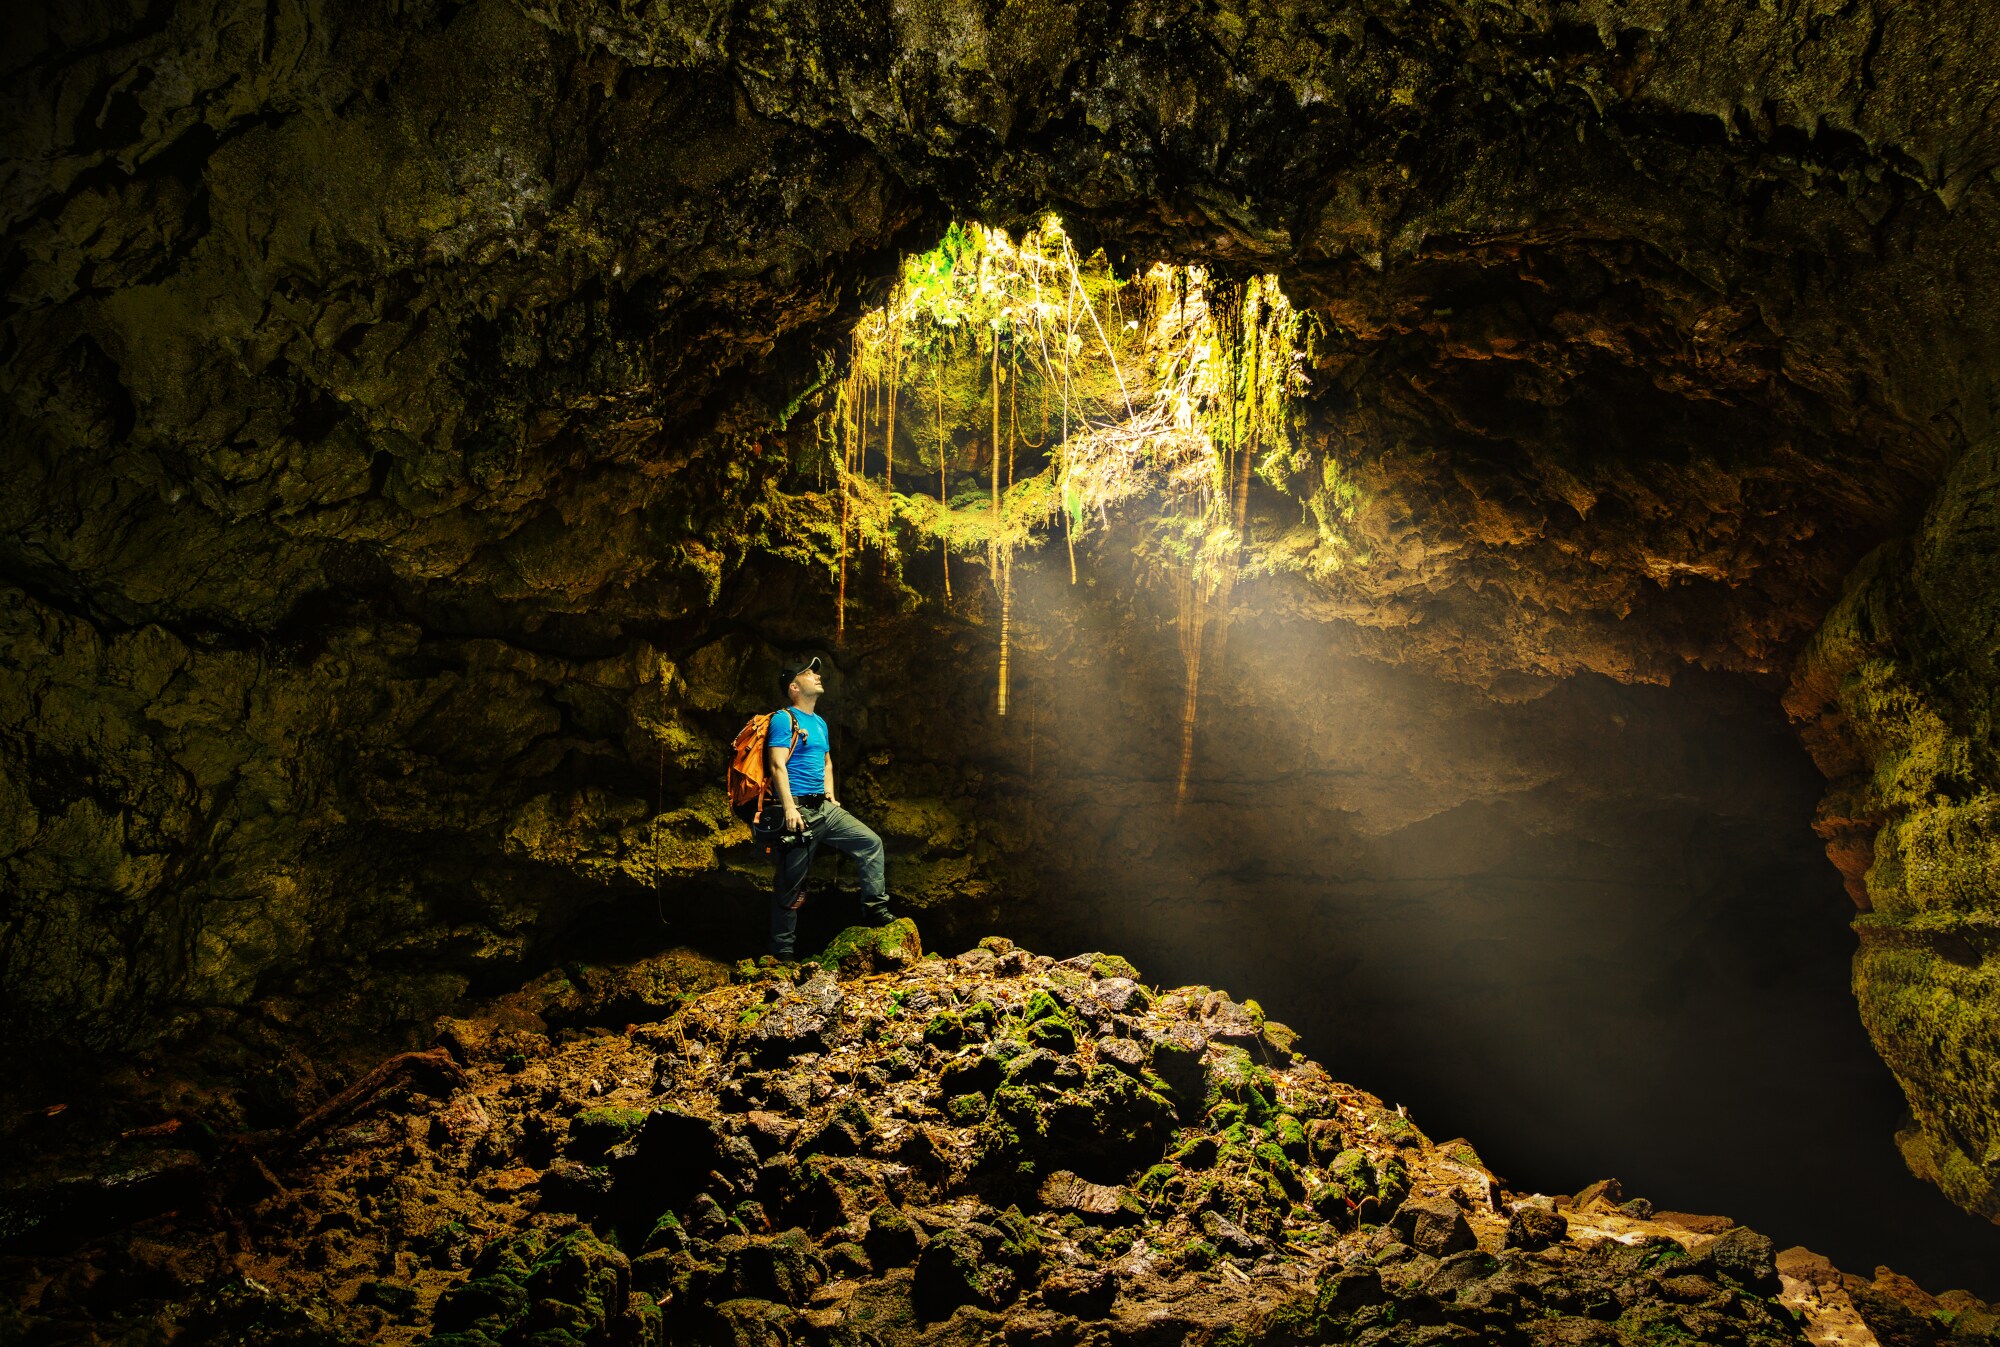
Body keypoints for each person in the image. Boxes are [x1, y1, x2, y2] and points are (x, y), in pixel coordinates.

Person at [764, 655, 892, 959]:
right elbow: (777, 765)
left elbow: (826, 761)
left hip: (824, 808)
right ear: (794, 687)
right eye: (809, 673)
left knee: (870, 843)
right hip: (799, 812)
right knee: (790, 886)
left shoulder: (819, 722)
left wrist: (830, 794)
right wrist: (789, 808)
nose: (817, 676)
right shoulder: (784, 719)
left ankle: (875, 908)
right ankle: (782, 954)